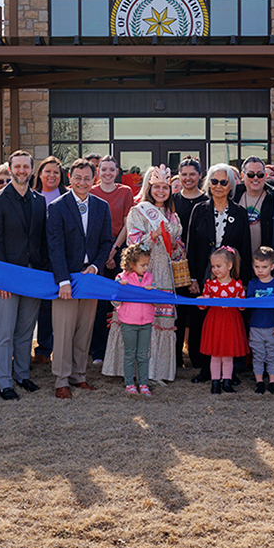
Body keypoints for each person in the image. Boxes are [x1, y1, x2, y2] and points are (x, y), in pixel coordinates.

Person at [102, 166, 182, 387]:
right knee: (135, 317)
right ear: (149, 188)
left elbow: (178, 250)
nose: (161, 191)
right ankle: (129, 370)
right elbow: (132, 245)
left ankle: (156, 371)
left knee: (159, 319)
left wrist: (175, 246)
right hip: (141, 271)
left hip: (164, 271)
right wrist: (152, 235)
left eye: (165, 187)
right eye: (157, 187)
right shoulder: (138, 211)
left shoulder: (172, 215)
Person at [47, 159, 114, 398]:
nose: (82, 182)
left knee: (84, 328)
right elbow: (54, 246)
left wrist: (96, 266)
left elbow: (107, 241)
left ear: (93, 179)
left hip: (91, 276)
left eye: (87, 178)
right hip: (67, 277)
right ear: (69, 178)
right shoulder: (57, 206)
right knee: (64, 329)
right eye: (78, 177)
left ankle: (79, 376)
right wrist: (63, 280)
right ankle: (61, 380)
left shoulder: (101, 206)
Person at [0, 150, 48, 400]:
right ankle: (4, 382)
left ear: (32, 170)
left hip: (33, 275)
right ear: (10, 169)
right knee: (5, 332)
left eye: (26, 167)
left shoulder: (39, 200)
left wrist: (43, 272)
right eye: (17, 166)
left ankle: (22, 375)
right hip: (7, 277)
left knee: (25, 330)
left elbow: (42, 240)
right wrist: (1, 278)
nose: (22, 170)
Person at [186, 163, 250, 386]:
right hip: (205, 272)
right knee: (204, 321)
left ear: (231, 185)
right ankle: (205, 368)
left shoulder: (240, 212)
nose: (219, 186)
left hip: (230, 276)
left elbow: (245, 247)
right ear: (208, 184)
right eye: (214, 181)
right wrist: (193, 277)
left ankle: (231, 371)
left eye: (224, 182)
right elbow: (191, 245)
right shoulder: (199, 210)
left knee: (229, 324)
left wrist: (242, 279)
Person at [89, 155, 135, 365]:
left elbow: (128, 224)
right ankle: (97, 350)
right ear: (98, 172)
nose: (107, 173)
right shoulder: (91, 192)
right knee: (98, 304)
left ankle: (119, 349)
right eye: (103, 169)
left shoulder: (125, 192)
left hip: (119, 250)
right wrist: (103, 253)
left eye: (111, 169)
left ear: (117, 172)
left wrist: (114, 249)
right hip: (96, 252)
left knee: (119, 302)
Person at [173, 157, 210, 380]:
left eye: (192, 174)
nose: (188, 178)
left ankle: (196, 356)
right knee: (175, 312)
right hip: (174, 265)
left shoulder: (206, 201)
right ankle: (175, 357)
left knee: (197, 312)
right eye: (184, 174)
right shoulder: (172, 200)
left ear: (199, 175)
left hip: (198, 263)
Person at [198, 246, 247, 395]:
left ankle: (227, 382)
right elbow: (203, 306)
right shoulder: (210, 285)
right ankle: (215, 383)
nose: (215, 269)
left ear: (229, 266)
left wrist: (241, 302)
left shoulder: (237, 285)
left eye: (218, 266)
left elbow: (242, 307)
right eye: (213, 266)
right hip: (215, 321)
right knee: (215, 354)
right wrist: (200, 300)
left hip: (231, 322)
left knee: (227, 355)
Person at [32, 155, 66, 365]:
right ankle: (37, 348)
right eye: (48, 171)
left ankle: (53, 348)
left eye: (56, 172)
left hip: (60, 256)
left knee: (56, 305)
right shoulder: (32, 196)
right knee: (38, 305)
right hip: (37, 256)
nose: (52, 175)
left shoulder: (67, 196)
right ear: (40, 174)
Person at [114, 245, 156, 396]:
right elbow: (115, 302)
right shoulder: (121, 278)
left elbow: (155, 301)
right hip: (128, 322)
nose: (145, 268)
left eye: (147, 265)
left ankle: (143, 383)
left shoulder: (149, 277)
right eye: (142, 265)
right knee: (130, 354)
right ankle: (129, 383)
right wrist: (119, 289)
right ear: (131, 264)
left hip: (146, 322)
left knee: (143, 354)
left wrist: (153, 292)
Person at [246, 246, 274, 394]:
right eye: (257, 267)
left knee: (272, 356)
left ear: (272, 267)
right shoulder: (253, 284)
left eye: (264, 267)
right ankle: (259, 382)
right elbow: (248, 303)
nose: (260, 270)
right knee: (258, 355)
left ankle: (272, 382)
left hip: (272, 327)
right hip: (256, 326)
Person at [233, 156, 274, 258]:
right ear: (243, 176)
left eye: (260, 175)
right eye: (251, 175)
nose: (255, 178)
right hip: (239, 260)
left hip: (265, 262)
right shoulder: (233, 197)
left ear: (265, 176)